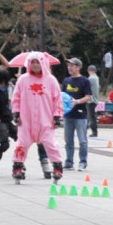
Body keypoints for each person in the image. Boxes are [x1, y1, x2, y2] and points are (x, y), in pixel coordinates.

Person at [11, 52, 65, 183]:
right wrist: (16, 113)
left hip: (45, 119)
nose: (35, 65)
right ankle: (18, 167)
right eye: (33, 62)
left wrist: (57, 116)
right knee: (22, 143)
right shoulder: (23, 80)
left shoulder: (51, 80)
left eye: (38, 62)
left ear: (43, 63)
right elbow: (16, 98)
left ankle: (57, 167)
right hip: (26, 120)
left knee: (50, 143)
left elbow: (57, 100)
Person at [61, 58, 94, 171]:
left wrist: (77, 102)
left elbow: (88, 96)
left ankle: (83, 162)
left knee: (82, 141)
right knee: (68, 141)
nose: (69, 67)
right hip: (68, 115)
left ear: (78, 67)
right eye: (69, 65)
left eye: (72, 65)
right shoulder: (66, 81)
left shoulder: (85, 81)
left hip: (80, 115)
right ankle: (69, 162)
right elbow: (62, 96)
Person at [85, 63, 101, 138]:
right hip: (95, 99)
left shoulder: (90, 79)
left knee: (91, 116)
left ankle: (94, 132)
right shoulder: (96, 78)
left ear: (89, 70)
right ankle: (88, 128)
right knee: (91, 116)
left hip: (91, 100)